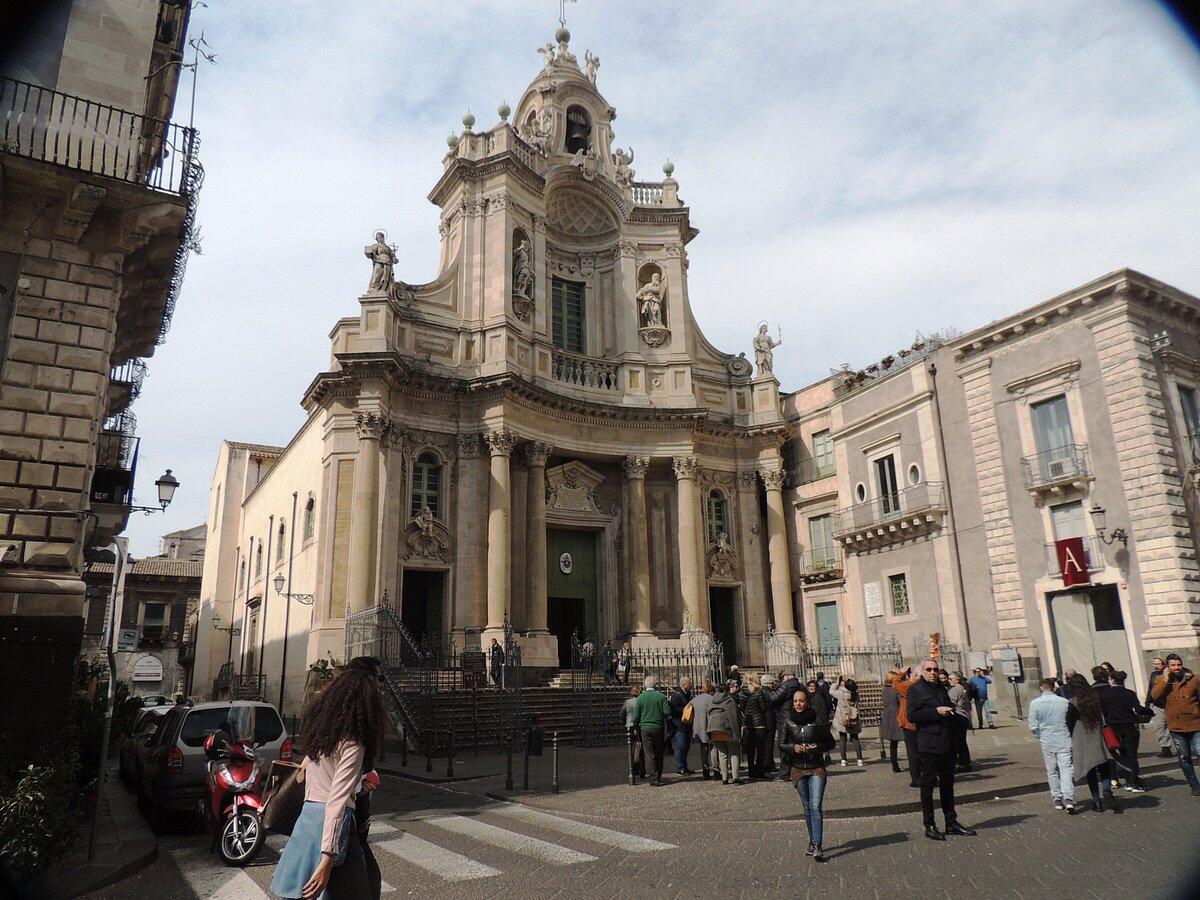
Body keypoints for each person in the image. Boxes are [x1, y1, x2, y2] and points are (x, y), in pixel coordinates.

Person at [270, 664, 385, 899]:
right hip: (333, 827)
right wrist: (327, 859)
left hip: (308, 821)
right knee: (362, 889)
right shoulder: (353, 743)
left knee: (303, 893)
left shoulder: (323, 736)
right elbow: (336, 800)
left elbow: (311, 773)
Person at [906, 657, 976, 840]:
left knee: (947, 784)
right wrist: (935, 712)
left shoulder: (941, 688)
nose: (933, 672)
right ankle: (929, 825)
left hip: (947, 743)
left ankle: (951, 822)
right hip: (929, 744)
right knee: (928, 785)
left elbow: (949, 708)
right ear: (922, 671)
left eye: (935, 669)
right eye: (929, 669)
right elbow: (912, 716)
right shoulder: (915, 689)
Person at [778, 689, 835, 862]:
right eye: (796, 701)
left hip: (816, 767)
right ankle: (812, 840)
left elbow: (830, 743)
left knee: (816, 806)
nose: (798, 704)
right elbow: (781, 744)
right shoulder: (788, 721)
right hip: (798, 768)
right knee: (807, 807)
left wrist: (817, 747)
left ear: (807, 702)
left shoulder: (816, 720)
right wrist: (793, 747)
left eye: (801, 701)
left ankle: (818, 845)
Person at [1150, 652, 1200, 797]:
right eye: (1173, 665)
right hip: (1176, 726)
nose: (1177, 667)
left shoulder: (1194, 679)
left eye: (1179, 664)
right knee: (1184, 757)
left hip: (1195, 724)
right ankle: (1194, 785)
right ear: (1167, 666)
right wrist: (1165, 680)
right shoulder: (1160, 679)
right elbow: (1155, 696)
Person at [1065, 673, 1116, 813]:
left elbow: (1069, 721)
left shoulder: (1073, 702)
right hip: (1098, 735)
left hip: (1082, 737)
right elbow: (1106, 714)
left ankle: (1096, 801)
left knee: (1090, 770)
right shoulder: (1096, 697)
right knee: (1104, 765)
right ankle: (1107, 789)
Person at [1028, 677, 1075, 811]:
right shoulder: (1064, 702)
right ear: (1054, 688)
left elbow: (1033, 726)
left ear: (1041, 688)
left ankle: (1057, 798)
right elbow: (1070, 720)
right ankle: (1069, 798)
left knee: (1052, 770)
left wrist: (1040, 736)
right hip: (1063, 737)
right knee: (1066, 768)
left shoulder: (1035, 703)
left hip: (1047, 738)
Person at [1099, 670, 1150, 792]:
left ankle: (1128, 781)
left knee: (1123, 754)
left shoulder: (1104, 694)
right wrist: (1149, 711)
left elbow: (1103, 711)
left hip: (1113, 727)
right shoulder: (1129, 693)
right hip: (1129, 725)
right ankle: (1135, 782)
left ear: (1112, 680)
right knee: (1132, 754)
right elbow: (1138, 709)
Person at [632, 676, 672, 786]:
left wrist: (636, 726)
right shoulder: (661, 696)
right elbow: (667, 712)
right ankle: (658, 776)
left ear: (645, 685)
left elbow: (636, 717)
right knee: (659, 752)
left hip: (645, 728)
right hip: (658, 727)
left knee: (649, 753)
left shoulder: (640, 698)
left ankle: (653, 777)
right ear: (655, 685)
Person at [708, 678, 745, 784]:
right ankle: (735, 777)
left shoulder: (712, 701)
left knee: (722, 754)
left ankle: (724, 777)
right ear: (727, 690)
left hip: (714, 730)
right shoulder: (729, 701)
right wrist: (737, 734)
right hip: (727, 729)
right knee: (734, 753)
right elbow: (733, 718)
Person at [766, 672, 801, 781]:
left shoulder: (785, 685)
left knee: (784, 746)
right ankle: (795, 771)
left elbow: (773, 698)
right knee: (793, 745)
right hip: (795, 718)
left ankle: (784, 773)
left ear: (786, 676)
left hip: (784, 718)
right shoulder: (799, 685)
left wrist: (767, 690)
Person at [893, 667, 921, 787]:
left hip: (909, 723)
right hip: (923, 722)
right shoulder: (926, 687)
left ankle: (916, 779)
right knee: (925, 751)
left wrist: (901, 673)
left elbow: (895, 684)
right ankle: (929, 775)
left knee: (912, 752)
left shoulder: (909, 686)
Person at [830, 677, 864, 767]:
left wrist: (837, 683)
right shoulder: (856, 695)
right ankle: (859, 759)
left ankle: (843, 759)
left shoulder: (841, 693)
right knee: (855, 738)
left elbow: (831, 691)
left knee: (843, 739)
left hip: (842, 718)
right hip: (852, 718)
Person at [1145, 657, 1174, 757]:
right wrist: (1147, 702)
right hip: (1157, 704)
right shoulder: (1154, 674)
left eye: (1157, 664)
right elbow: (1150, 689)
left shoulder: (1170, 673)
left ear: (1164, 664)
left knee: (1172, 727)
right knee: (1159, 726)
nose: (1155, 666)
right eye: (1154, 664)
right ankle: (1165, 748)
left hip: (1169, 703)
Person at [742, 675, 771, 778]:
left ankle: (751, 770)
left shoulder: (742, 692)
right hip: (759, 723)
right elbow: (763, 707)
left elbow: (742, 707)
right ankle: (760, 770)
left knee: (750, 749)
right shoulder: (759, 692)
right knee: (760, 749)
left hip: (748, 723)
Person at [689, 680, 716, 779]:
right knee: (713, 748)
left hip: (699, 727)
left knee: (703, 749)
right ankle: (716, 770)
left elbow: (686, 709)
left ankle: (705, 771)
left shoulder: (695, 699)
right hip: (711, 725)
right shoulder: (712, 699)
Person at [669, 676, 696, 776]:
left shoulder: (687, 694)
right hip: (679, 725)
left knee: (686, 747)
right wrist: (685, 709)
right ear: (684, 684)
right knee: (681, 747)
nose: (691, 685)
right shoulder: (677, 695)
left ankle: (684, 767)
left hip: (687, 724)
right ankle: (680, 768)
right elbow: (673, 710)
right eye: (689, 683)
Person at [946, 672, 973, 772]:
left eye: (951, 679)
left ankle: (963, 763)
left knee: (958, 742)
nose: (949, 681)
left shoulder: (956, 689)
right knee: (961, 742)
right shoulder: (960, 688)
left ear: (957, 679)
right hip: (963, 717)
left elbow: (951, 703)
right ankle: (965, 763)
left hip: (958, 716)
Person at [880, 670, 904, 774]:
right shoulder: (895, 689)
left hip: (887, 716)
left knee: (893, 743)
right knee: (907, 739)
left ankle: (894, 765)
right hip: (897, 715)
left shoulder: (884, 689)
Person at [623, 685, 645, 778]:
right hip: (641, 725)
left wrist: (626, 722)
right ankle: (642, 770)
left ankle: (634, 769)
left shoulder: (627, 702)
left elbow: (622, 714)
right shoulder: (642, 700)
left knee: (632, 748)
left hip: (630, 726)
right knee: (641, 747)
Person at [760, 673, 779, 774]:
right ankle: (768, 764)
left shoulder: (761, 692)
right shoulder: (768, 693)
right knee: (769, 744)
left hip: (764, 720)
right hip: (769, 720)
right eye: (772, 683)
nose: (773, 685)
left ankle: (768, 763)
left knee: (765, 744)